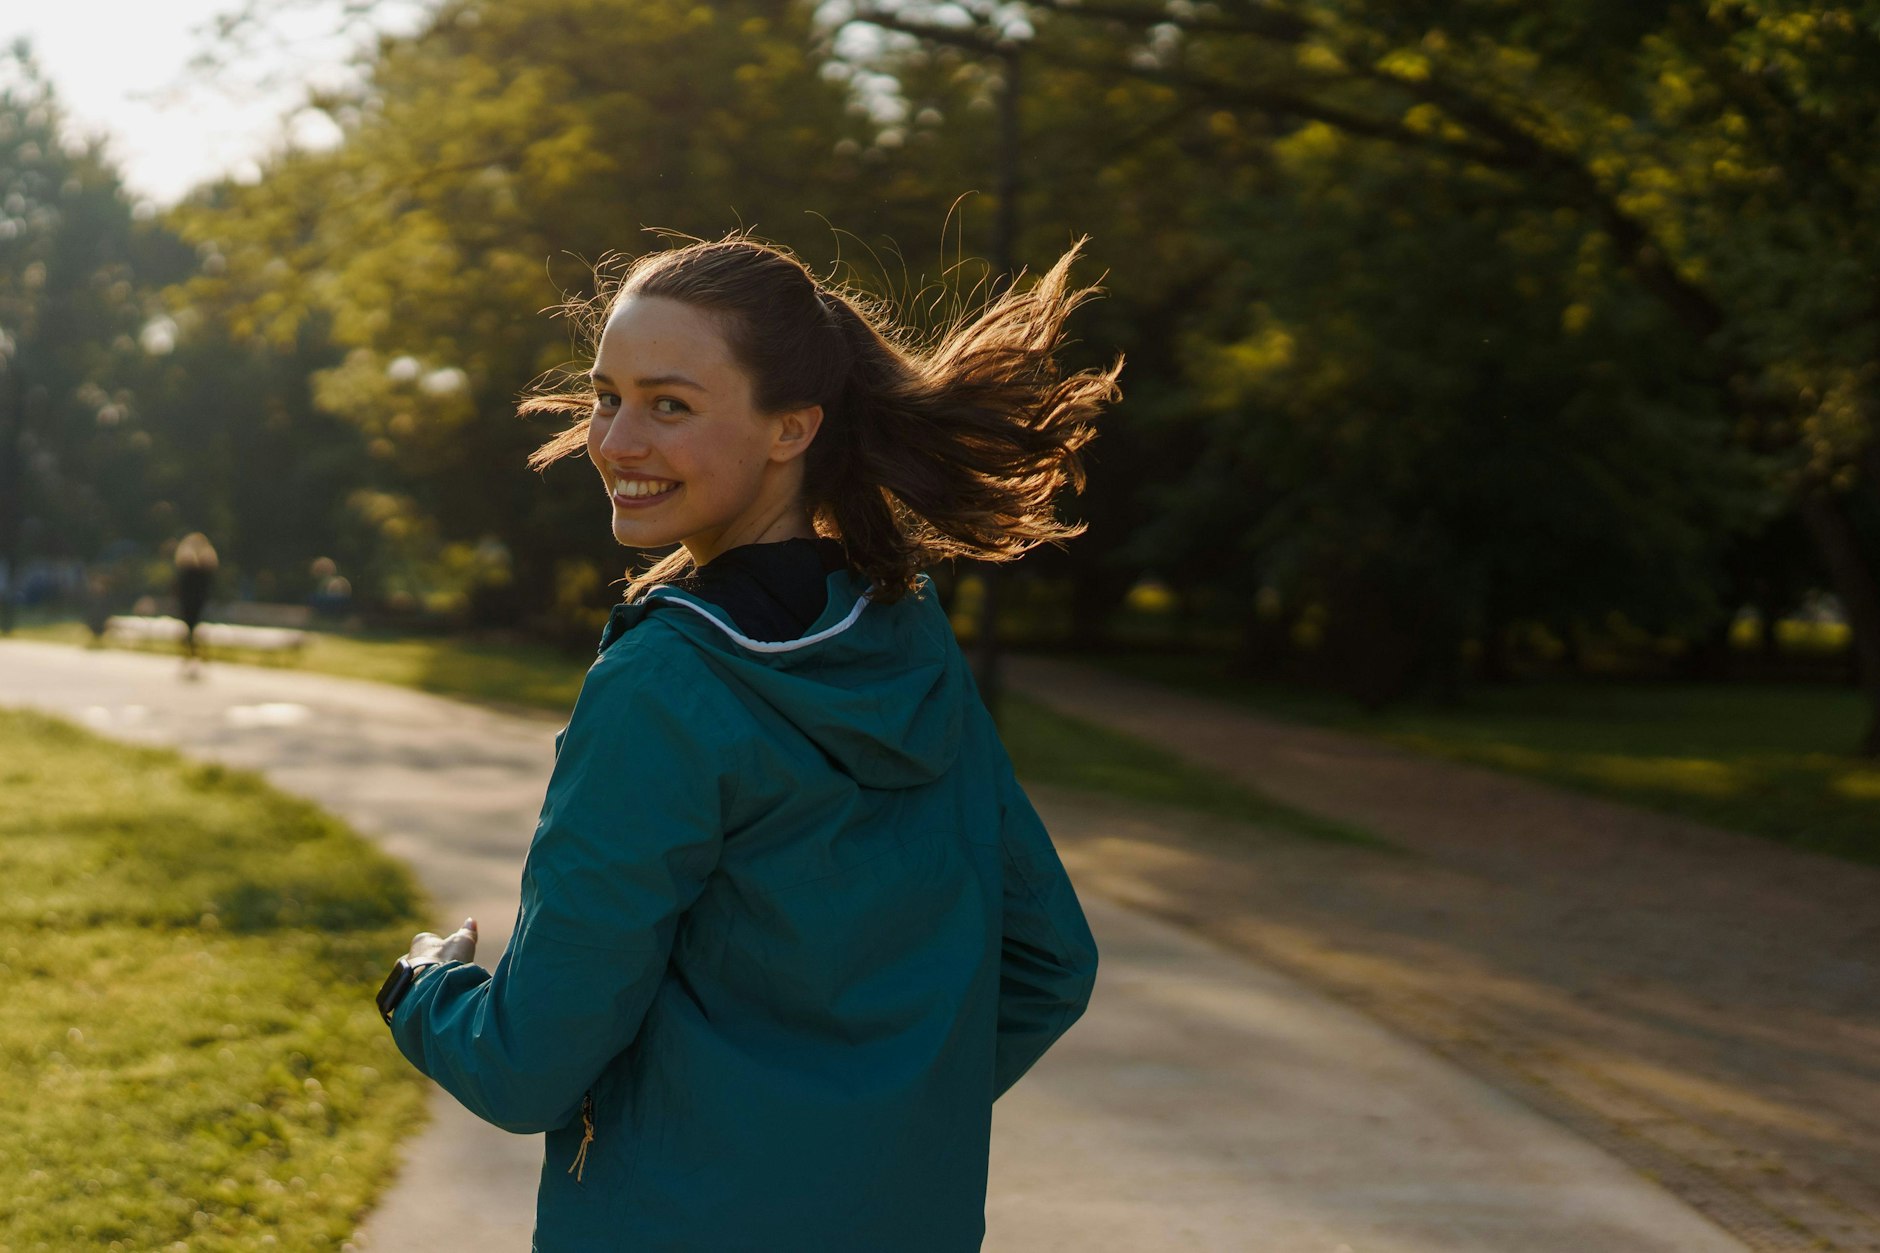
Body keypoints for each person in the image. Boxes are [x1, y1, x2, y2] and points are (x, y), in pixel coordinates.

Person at [377, 230, 1124, 1252]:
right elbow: (1048, 964)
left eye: (669, 404)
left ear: (791, 429)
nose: (613, 439)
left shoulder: (661, 686)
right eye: (607, 396)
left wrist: (421, 987)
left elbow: (527, 1064)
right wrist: (854, 1123)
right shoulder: (906, 638)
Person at [172, 532, 218, 672]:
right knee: (190, 627)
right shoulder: (189, 563)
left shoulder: (202, 563)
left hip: (196, 600)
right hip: (193, 600)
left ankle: (194, 652)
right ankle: (192, 652)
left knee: (193, 627)